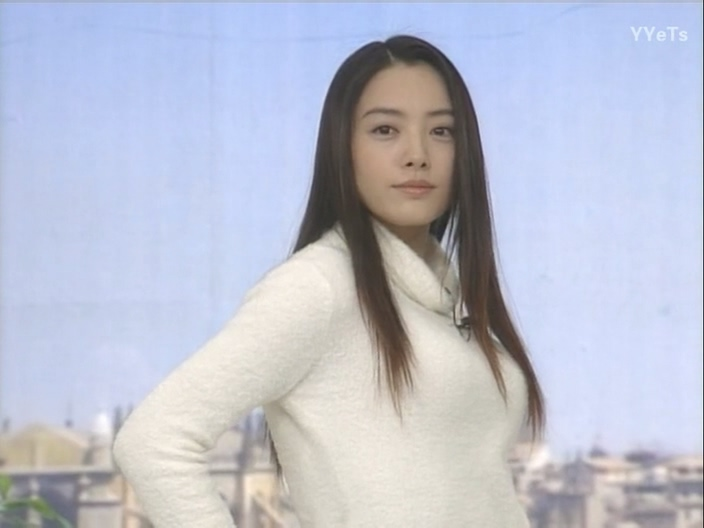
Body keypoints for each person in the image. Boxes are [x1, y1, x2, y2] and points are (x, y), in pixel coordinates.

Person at [112, 34, 546, 528]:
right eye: (385, 130)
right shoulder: (319, 286)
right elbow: (153, 441)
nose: (417, 154)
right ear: (343, 148)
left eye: (442, 131)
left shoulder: (446, 298)